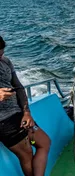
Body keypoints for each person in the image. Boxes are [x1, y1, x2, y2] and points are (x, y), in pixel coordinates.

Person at [0, 36, 51, 176]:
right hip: (4, 123)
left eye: (1, 53)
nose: (1, 57)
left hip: (19, 115)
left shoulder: (6, 61)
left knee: (44, 143)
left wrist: (26, 112)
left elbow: (19, 87)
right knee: (27, 155)